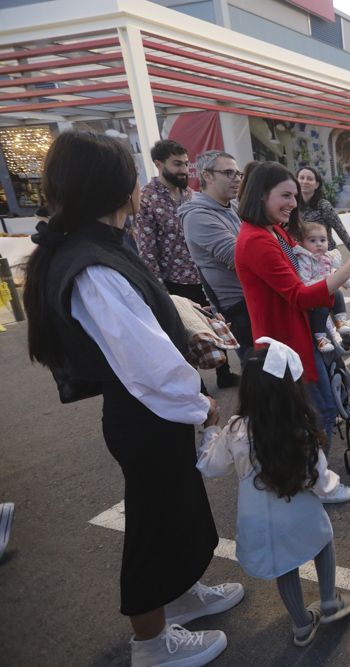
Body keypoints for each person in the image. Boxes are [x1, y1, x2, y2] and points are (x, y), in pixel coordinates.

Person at [23, 131, 242, 666]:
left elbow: (144, 325)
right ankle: (150, 640)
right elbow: (143, 362)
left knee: (180, 509)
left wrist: (188, 338)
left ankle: (183, 597)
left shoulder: (103, 244)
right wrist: (200, 402)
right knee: (153, 523)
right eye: (133, 175)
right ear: (117, 188)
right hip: (144, 412)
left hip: (152, 411)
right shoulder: (91, 262)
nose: (142, 184)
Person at [196, 341, 350, 647]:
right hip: (301, 514)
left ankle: (301, 625)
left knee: (285, 566)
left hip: (260, 523)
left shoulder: (235, 430)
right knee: (322, 542)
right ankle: (329, 601)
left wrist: (210, 429)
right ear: (291, 390)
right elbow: (323, 484)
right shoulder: (301, 430)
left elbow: (211, 466)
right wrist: (333, 482)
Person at [234, 162, 350, 463]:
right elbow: (299, 296)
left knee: (312, 412)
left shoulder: (272, 232)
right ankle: (315, 480)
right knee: (320, 412)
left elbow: (303, 278)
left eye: (295, 195)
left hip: (298, 337)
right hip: (287, 343)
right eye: (286, 195)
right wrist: (347, 269)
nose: (293, 204)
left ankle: (310, 478)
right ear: (261, 195)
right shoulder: (257, 240)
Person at [136, 139, 240, 389]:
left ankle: (224, 374)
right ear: (159, 164)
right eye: (177, 164)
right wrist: (159, 290)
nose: (184, 169)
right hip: (174, 281)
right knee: (185, 334)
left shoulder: (190, 194)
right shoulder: (147, 199)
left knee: (215, 325)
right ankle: (197, 387)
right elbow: (146, 248)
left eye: (185, 163)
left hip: (201, 275)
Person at [181, 151, 253, 361]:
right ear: (207, 176)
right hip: (238, 306)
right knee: (261, 369)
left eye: (238, 173)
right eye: (229, 173)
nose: (237, 178)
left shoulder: (234, 206)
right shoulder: (197, 215)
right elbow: (239, 258)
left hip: (252, 297)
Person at [294, 167, 350, 353]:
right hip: (306, 258)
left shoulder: (322, 205)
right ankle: (322, 338)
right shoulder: (293, 206)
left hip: (327, 256)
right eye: (301, 177)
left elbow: (340, 229)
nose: (305, 181)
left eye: (309, 178)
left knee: (331, 295)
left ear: (317, 184)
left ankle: (347, 339)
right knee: (318, 302)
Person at [292, 221, 350, 353]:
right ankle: (321, 339)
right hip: (314, 293)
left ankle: (340, 321)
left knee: (338, 293)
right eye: (313, 240)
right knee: (320, 311)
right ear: (302, 243)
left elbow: (337, 271)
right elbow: (304, 280)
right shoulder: (304, 259)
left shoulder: (327, 257)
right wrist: (322, 287)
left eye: (323, 240)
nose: (319, 244)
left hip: (326, 288)